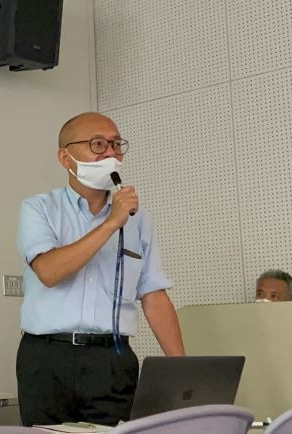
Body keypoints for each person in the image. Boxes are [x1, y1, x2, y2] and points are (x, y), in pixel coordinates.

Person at [16, 112, 185, 427]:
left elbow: (153, 294)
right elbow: (49, 272)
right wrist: (111, 223)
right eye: (97, 144)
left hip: (112, 358)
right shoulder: (39, 208)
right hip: (47, 356)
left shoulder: (139, 220)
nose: (110, 153)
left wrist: (182, 371)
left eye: (116, 145)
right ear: (65, 158)